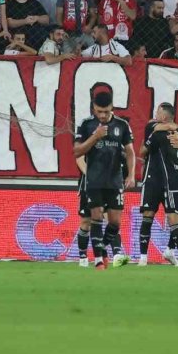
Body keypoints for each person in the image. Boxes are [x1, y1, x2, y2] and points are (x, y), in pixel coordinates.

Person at [74, 90, 136, 269]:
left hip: (115, 180)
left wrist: (131, 175)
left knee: (115, 223)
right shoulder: (86, 125)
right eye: (99, 111)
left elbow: (130, 152)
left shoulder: (122, 125)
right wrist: (95, 136)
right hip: (94, 180)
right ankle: (99, 260)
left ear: (111, 108)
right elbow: (77, 151)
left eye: (106, 112)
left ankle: (102, 250)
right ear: (94, 108)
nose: (102, 115)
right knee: (96, 217)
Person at [147, 120, 178, 267]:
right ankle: (172, 250)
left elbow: (144, 150)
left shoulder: (160, 135)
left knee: (174, 219)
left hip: (173, 182)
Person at [136, 102, 175, 267]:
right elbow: (142, 150)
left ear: (164, 116)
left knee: (177, 217)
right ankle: (143, 256)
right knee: (148, 215)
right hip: (152, 178)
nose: (154, 116)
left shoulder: (177, 131)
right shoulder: (152, 127)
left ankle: (170, 250)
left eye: (157, 113)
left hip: (171, 179)